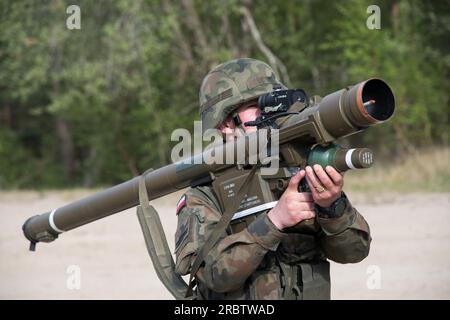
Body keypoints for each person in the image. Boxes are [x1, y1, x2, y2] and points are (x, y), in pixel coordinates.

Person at [174, 58, 371, 300]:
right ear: (225, 123)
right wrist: (275, 221)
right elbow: (214, 275)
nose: (271, 111)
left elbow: (354, 252)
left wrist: (332, 207)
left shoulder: (294, 170)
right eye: (258, 104)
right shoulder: (206, 193)